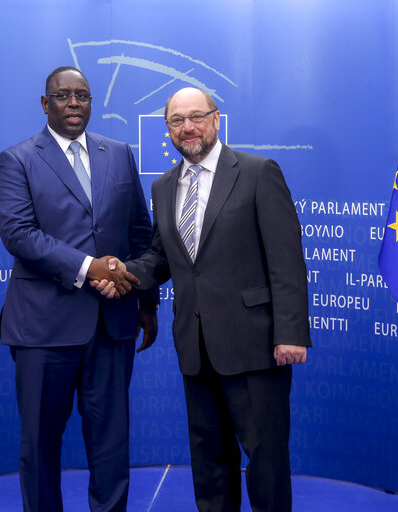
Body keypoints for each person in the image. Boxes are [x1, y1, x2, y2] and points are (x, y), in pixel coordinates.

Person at [94, 87, 311, 512]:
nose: (188, 127)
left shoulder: (258, 172)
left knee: (266, 463)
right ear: (168, 130)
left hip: (257, 346)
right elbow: (162, 256)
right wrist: (122, 273)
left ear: (216, 119)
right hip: (196, 347)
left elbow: (286, 261)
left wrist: (291, 334)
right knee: (209, 463)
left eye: (196, 117)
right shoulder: (163, 186)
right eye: (177, 121)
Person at [0, 66, 158, 512]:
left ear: (91, 102)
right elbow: (19, 234)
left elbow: (140, 233)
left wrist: (146, 301)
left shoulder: (120, 153)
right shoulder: (18, 159)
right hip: (43, 329)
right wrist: (90, 266)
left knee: (111, 445)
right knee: (40, 446)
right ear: (45, 104)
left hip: (112, 327)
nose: (73, 103)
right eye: (63, 96)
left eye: (82, 96)